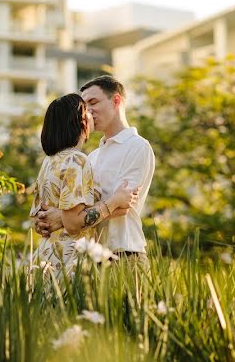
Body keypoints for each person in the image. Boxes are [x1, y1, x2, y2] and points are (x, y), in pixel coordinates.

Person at [34, 76, 156, 264]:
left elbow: (123, 205)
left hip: (124, 252)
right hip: (90, 256)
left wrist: (62, 217)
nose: (88, 111)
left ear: (116, 101)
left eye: (93, 102)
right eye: (84, 105)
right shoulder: (91, 157)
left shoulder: (138, 147)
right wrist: (50, 219)